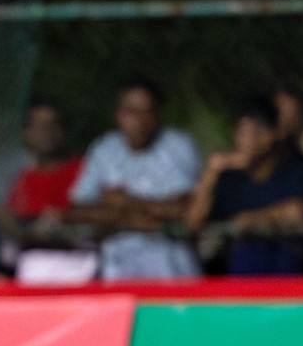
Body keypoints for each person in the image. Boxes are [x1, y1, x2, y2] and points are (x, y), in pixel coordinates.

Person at [70, 77, 203, 280]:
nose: (140, 121)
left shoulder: (178, 145)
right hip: (117, 272)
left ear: (157, 115)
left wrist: (125, 203)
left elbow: (188, 209)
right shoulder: (105, 148)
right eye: (131, 112)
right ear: (119, 115)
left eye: (147, 112)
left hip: (173, 272)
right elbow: (79, 208)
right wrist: (141, 216)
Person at [186, 95, 303, 275]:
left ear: (274, 134)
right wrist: (211, 172)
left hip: (283, 270)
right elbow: (193, 223)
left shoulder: (292, 169)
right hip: (234, 275)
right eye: (243, 132)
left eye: (258, 132)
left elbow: (296, 212)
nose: (250, 140)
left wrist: (248, 220)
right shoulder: (226, 176)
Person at [4, 99, 91, 284]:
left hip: (78, 264)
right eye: (39, 126)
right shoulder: (24, 176)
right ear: (26, 133)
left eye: (54, 125)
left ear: (65, 130)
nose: (47, 132)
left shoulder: (84, 169)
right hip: (32, 265)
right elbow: (16, 221)